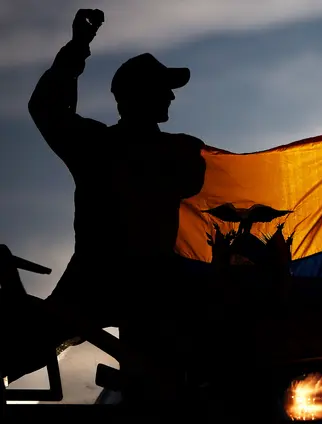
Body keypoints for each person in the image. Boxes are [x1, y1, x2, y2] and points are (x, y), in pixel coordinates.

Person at [11, 8, 207, 400]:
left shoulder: (120, 147)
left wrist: (78, 48)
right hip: (119, 283)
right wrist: (78, 48)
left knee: (176, 378)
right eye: (162, 88)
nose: (170, 95)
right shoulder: (153, 149)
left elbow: (47, 110)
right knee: (22, 346)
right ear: (138, 97)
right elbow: (46, 110)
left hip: (126, 285)